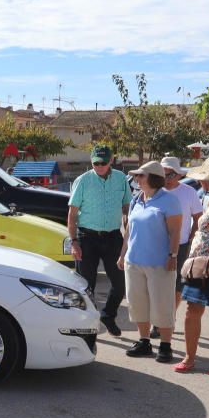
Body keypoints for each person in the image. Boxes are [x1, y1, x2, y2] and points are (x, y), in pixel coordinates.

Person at [117, 161, 182, 362]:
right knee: (138, 304)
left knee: (162, 305)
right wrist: (122, 254)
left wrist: (173, 255)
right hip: (134, 261)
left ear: (153, 178)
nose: (137, 179)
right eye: (136, 176)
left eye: (141, 176)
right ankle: (144, 341)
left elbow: (175, 232)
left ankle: (165, 345)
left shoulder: (169, 200)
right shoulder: (137, 199)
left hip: (160, 263)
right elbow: (129, 230)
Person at [68, 144, 133, 336]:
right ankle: (87, 324)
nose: (99, 166)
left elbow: (127, 208)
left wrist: (128, 236)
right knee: (86, 285)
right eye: (96, 162)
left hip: (113, 236)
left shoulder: (121, 179)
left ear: (111, 161)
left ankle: (108, 315)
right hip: (87, 238)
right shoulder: (83, 181)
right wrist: (73, 241)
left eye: (103, 162)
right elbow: (72, 214)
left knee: (120, 284)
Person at [177, 156, 209, 376]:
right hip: (201, 263)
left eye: (206, 179)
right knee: (192, 310)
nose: (202, 183)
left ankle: (189, 359)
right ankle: (189, 358)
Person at [161, 156, 204, 313]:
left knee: (177, 283)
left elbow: (198, 217)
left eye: (170, 174)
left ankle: (170, 317)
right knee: (157, 283)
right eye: (163, 174)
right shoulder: (154, 192)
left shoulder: (189, 192)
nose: (166, 179)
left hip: (181, 244)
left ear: (179, 175)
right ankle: (158, 319)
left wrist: (192, 237)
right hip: (156, 244)